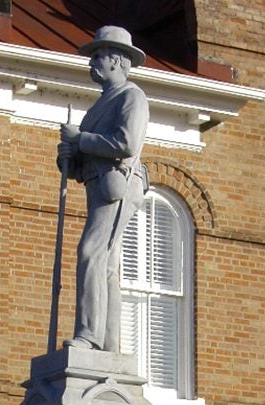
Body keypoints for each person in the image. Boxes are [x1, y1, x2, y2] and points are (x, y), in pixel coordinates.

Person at [57, 26, 150, 353]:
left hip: (118, 185)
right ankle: (108, 342)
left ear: (119, 61)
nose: (92, 62)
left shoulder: (131, 96)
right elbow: (83, 163)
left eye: (99, 56)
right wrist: (69, 155)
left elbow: (126, 143)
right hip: (98, 184)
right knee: (107, 263)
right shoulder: (98, 106)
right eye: (92, 56)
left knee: (91, 252)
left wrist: (80, 139)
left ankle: (90, 335)